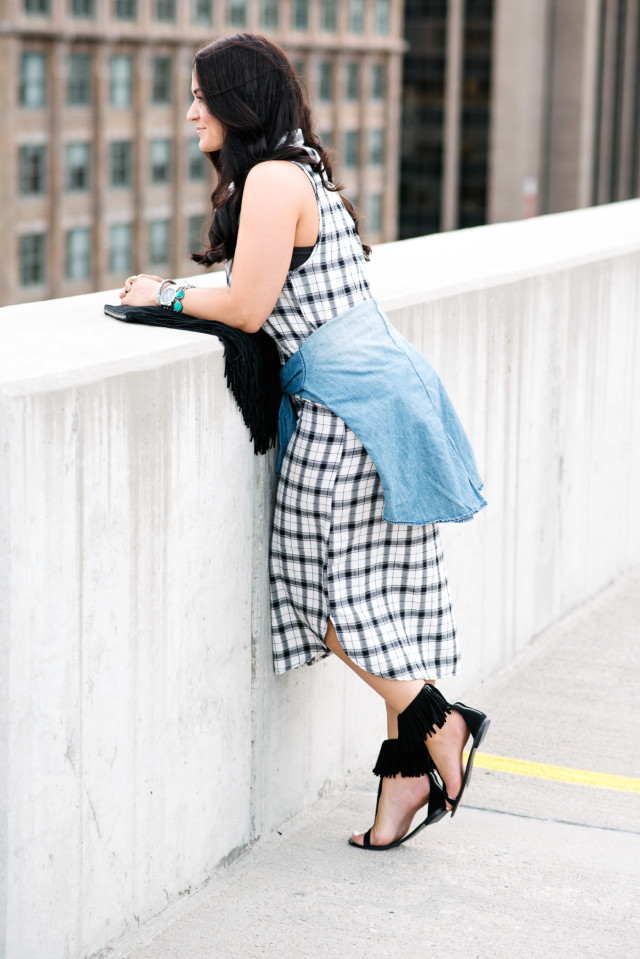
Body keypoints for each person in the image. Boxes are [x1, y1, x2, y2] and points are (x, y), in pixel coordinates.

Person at [120, 33, 490, 851]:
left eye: (202, 97)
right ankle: (401, 785)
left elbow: (249, 307)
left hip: (345, 410)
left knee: (320, 595)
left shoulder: (274, 179)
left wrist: (166, 293)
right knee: (364, 594)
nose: (190, 113)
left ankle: (442, 720)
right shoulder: (301, 172)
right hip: (379, 397)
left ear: (238, 102)